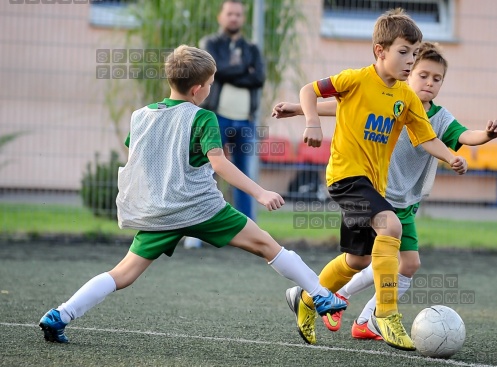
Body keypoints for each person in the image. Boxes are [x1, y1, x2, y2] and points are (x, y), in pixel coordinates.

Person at [38, 45, 346, 344]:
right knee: (267, 245)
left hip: (160, 211)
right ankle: (320, 295)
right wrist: (261, 192)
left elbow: (137, 155)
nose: (211, 89)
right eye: (211, 84)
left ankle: (60, 314)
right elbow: (220, 164)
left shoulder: (141, 115)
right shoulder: (202, 118)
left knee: (123, 273)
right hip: (201, 208)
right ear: (198, 89)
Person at [273, 42, 497, 341]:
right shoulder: (367, 83)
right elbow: (342, 102)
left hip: (393, 198)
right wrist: (303, 113)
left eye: (437, 78)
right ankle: (382, 314)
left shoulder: (417, 106)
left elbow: (444, 137)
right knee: (389, 228)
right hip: (357, 183)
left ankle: (311, 298)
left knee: (363, 260)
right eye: (423, 74)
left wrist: (472, 143)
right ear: (393, 60)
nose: (429, 82)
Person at [184, 0, 265, 249]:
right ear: (221, 16)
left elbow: (259, 78)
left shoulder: (252, 48)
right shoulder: (210, 44)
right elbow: (215, 72)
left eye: (238, 14)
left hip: (245, 121)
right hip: (216, 118)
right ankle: (195, 233)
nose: (234, 18)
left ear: (243, 18)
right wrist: (244, 71)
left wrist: (235, 70)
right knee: (206, 173)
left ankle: (250, 236)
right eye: (229, 14)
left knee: (244, 175)